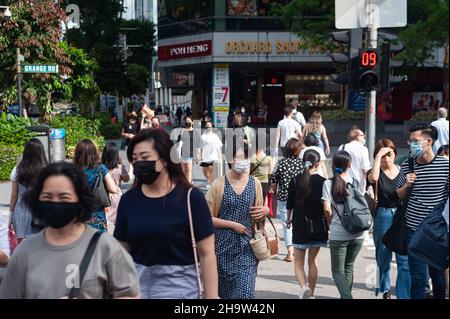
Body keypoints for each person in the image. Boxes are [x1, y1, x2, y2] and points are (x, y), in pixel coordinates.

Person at [0, 162, 140, 299]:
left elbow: (129, 294)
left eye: (64, 197)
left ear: (80, 200)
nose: (56, 202)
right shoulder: (24, 252)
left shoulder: (105, 247)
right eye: (47, 197)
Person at [114, 129, 218, 299]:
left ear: (164, 160)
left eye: (145, 157)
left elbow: (207, 255)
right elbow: (120, 256)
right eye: (135, 159)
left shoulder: (192, 199)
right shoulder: (128, 201)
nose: (139, 163)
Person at [205, 140, 268, 299]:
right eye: (240, 157)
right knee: (227, 296)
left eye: (247, 157)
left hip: (247, 248)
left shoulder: (255, 184)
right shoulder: (218, 185)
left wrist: (264, 212)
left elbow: (259, 215)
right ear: (230, 159)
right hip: (221, 250)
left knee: (246, 294)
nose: (244, 161)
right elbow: (206, 217)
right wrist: (232, 225)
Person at [397, 124, 449, 299]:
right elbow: (399, 194)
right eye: (410, 141)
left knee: (439, 278)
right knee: (418, 279)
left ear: (428, 142)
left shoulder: (445, 166)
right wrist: (407, 185)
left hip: (437, 232)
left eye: (415, 141)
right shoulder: (407, 165)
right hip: (414, 230)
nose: (411, 144)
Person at [367, 139, 411, 299]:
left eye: (389, 155)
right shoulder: (375, 172)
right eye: (382, 156)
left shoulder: (403, 170)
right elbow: (372, 178)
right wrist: (377, 157)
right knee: (383, 257)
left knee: (404, 259)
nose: (386, 159)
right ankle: (384, 291)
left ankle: (403, 295)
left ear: (395, 154)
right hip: (383, 215)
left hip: (401, 216)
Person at [322, 151, 366, 299]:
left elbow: (327, 209)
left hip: (339, 233)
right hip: (358, 233)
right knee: (348, 267)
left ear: (333, 165)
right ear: (349, 164)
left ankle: (347, 297)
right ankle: (345, 296)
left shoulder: (328, 183)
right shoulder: (355, 181)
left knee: (337, 271)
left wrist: (330, 223)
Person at [286, 149, 327, 299]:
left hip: (300, 226)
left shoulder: (295, 180)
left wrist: (288, 219)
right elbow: (326, 207)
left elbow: (289, 204)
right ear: (317, 164)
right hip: (317, 226)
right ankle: (312, 294)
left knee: (298, 263)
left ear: (303, 162)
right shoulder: (324, 182)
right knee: (313, 262)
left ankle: (304, 287)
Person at [269, 138, 304, 262]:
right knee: (298, 223)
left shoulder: (281, 163)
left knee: (287, 224)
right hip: (300, 198)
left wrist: (274, 190)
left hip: (284, 197)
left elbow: (273, 179)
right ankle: (299, 249)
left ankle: (290, 251)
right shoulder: (302, 163)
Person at [74, 140, 118, 233]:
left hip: (77, 214)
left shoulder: (72, 170)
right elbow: (113, 189)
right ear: (94, 153)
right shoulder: (100, 168)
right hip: (97, 215)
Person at [9, 138, 48, 243]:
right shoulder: (47, 170)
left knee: (22, 248)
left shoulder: (17, 170)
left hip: (21, 212)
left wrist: (11, 215)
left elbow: (14, 196)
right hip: (40, 213)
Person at [101, 142, 130, 234]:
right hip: (117, 196)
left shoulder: (101, 167)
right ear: (116, 155)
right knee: (118, 221)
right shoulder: (119, 168)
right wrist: (121, 166)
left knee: (105, 219)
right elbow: (127, 179)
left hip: (105, 196)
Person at [338, 126, 371, 193]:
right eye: (362, 136)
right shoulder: (363, 149)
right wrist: (368, 186)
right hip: (358, 185)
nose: (364, 138)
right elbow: (365, 170)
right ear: (358, 136)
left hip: (342, 183)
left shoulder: (342, 147)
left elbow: (337, 166)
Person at [177, 116, 202, 183]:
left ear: (192, 122)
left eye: (189, 121)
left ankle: (188, 184)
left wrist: (199, 155)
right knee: (184, 170)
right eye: (186, 122)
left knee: (188, 169)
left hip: (191, 153)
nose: (187, 123)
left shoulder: (196, 132)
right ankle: (186, 182)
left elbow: (198, 144)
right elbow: (178, 143)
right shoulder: (182, 131)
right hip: (183, 153)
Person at [250, 132, 274, 200]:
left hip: (252, 183)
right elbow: (270, 174)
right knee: (261, 204)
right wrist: (271, 185)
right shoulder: (269, 159)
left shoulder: (250, 158)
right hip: (264, 184)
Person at [200, 121, 223, 186]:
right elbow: (201, 147)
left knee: (210, 171)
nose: (208, 128)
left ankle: (211, 184)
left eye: (209, 127)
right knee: (205, 172)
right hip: (205, 157)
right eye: (207, 127)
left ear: (212, 127)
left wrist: (220, 157)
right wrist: (200, 156)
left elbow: (218, 148)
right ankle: (210, 181)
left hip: (213, 157)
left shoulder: (215, 136)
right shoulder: (203, 136)